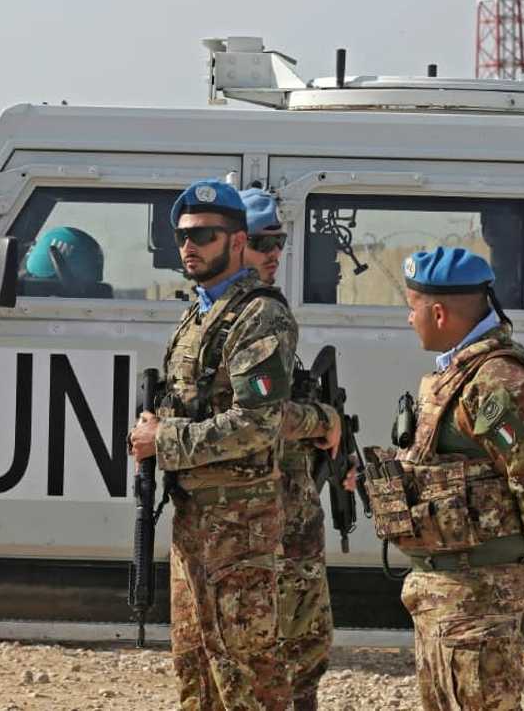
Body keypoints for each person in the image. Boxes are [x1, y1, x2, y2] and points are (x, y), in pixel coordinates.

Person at [388, 246, 524, 711]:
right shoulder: (456, 375)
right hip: (446, 591)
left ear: (438, 311)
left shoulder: (496, 382)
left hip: (478, 593)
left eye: (411, 307)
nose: (408, 319)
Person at [128, 179, 296, 711]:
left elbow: (258, 423)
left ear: (238, 240)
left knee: (246, 673)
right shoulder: (200, 313)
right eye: (182, 236)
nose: (189, 246)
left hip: (239, 526)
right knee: (196, 673)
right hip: (195, 519)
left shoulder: (259, 315)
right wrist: (156, 421)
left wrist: (166, 439)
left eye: (204, 234)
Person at [240, 186, 340, 711]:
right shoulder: (257, 315)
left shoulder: (234, 313)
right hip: (272, 511)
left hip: (280, 500)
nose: (273, 253)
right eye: (262, 242)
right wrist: (323, 420)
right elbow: (262, 418)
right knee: (291, 643)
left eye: (278, 240)